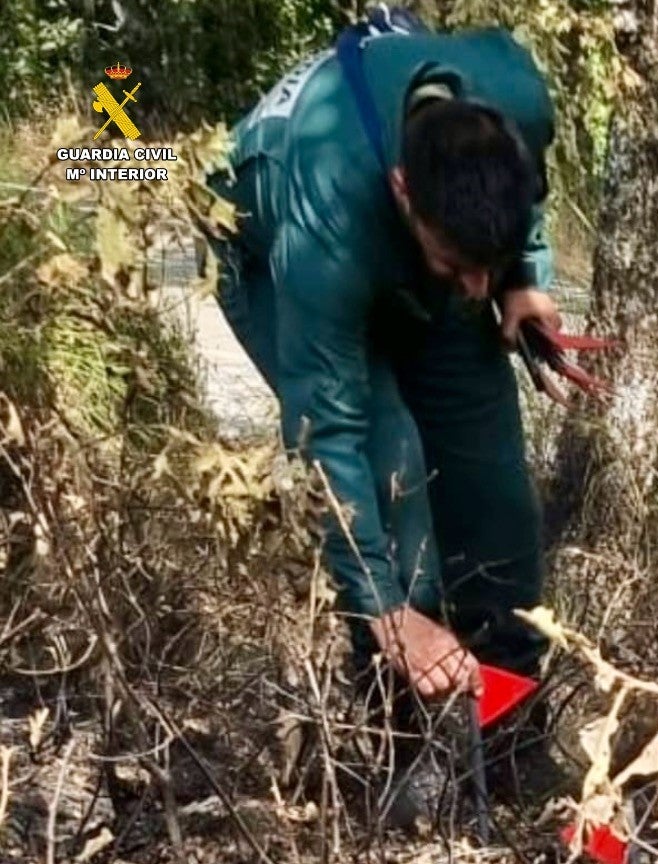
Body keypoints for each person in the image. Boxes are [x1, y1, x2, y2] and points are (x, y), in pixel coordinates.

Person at [204, 5, 563, 827]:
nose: (473, 286)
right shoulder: (325, 211)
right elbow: (329, 430)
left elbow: (518, 203)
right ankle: (410, 752)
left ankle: (509, 755)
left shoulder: (516, 93)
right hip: (266, 251)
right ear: (404, 191)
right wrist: (386, 606)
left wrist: (518, 276)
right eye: (458, 265)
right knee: (393, 462)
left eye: (484, 266)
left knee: (496, 495)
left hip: (406, 247)